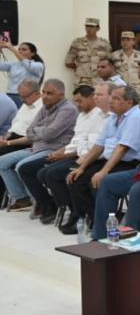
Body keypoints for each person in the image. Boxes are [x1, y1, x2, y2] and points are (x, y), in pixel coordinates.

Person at [67, 85, 140, 239]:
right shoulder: (114, 117)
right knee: (77, 179)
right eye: (112, 97)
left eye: (116, 98)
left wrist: (104, 171)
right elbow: (99, 145)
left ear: (129, 102)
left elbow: (122, 148)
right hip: (113, 160)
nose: (111, 101)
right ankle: (96, 220)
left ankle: (102, 232)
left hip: (134, 164)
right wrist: (81, 167)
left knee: (101, 181)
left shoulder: (135, 117)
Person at [21, 84, 104, 226]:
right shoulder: (82, 115)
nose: (77, 105)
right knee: (35, 171)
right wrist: (60, 152)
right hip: (72, 153)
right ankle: (54, 205)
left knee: (52, 174)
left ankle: (76, 212)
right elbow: (75, 141)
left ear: (91, 98)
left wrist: (64, 155)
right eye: (75, 101)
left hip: (88, 157)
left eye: (80, 101)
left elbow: (92, 147)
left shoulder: (99, 116)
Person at [0, 79, 76, 213]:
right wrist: (41, 131)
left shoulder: (67, 109)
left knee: (22, 166)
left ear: (61, 95)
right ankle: (22, 198)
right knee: (2, 162)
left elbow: (49, 134)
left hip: (53, 149)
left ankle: (42, 202)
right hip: (35, 147)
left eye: (49, 93)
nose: (45, 96)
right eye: (44, 92)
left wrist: (38, 131)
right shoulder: (45, 107)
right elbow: (30, 131)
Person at [64, 18, 112, 87]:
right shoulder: (77, 43)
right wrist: (80, 68)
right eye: (87, 26)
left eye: (92, 27)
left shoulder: (105, 44)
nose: (89, 29)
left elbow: (110, 63)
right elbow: (68, 62)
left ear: (98, 28)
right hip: (82, 81)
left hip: (99, 81)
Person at [0, 40, 45, 104]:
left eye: (24, 49)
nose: (20, 51)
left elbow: (27, 64)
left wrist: (12, 48)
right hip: (10, 94)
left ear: (32, 53)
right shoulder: (13, 64)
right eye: (19, 49)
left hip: (27, 96)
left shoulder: (38, 65)